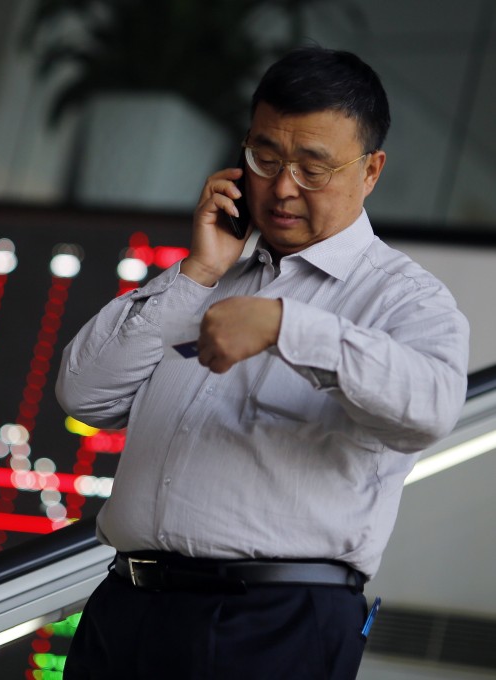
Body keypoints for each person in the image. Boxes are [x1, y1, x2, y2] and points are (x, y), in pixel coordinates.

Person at [55, 47, 469, 679]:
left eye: (313, 168)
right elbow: (83, 394)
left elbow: (433, 406)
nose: (280, 189)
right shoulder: (210, 272)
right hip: (125, 609)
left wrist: (287, 327)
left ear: (372, 171)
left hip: (273, 625)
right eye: (264, 157)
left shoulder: (404, 298)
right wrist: (196, 273)